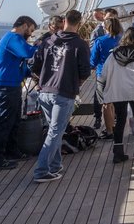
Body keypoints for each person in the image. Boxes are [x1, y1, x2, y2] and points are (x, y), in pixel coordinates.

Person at [31, 10, 91, 183]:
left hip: (44, 92)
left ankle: (55, 165)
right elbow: (85, 70)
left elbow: (34, 65)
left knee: (54, 131)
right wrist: (77, 82)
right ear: (80, 22)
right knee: (56, 132)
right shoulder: (80, 44)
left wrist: (43, 79)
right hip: (64, 93)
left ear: (64, 21)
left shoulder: (47, 41)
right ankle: (41, 171)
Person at [0, 16, 38, 169]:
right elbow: (27, 53)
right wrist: (40, 45)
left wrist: (30, 73)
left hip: (12, 86)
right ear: (24, 25)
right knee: (5, 123)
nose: (30, 34)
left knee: (14, 121)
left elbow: (18, 63)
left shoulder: (15, 39)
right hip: (4, 87)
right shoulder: (13, 38)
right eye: (30, 30)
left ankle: (12, 152)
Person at [100, 27, 134, 163]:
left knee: (120, 120)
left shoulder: (113, 54)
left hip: (118, 91)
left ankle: (118, 153)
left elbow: (104, 74)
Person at [90, 15, 123, 137]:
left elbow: (93, 61)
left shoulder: (100, 41)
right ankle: (113, 127)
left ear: (106, 28)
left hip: (103, 74)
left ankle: (109, 131)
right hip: (119, 74)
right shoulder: (122, 40)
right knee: (113, 103)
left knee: (105, 104)